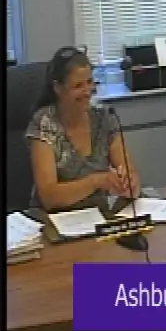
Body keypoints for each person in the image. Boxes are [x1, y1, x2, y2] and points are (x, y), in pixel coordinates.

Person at [26, 46, 140, 211]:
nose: (87, 91)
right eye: (78, 85)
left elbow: (129, 171)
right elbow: (49, 197)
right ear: (58, 88)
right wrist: (96, 181)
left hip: (98, 215)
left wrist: (129, 183)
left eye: (89, 82)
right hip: (55, 218)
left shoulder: (104, 118)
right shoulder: (44, 124)